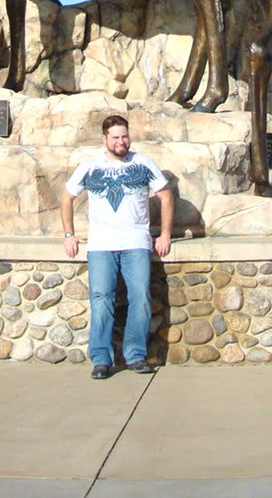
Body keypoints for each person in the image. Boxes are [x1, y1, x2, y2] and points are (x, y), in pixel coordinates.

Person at [61, 114, 173, 378]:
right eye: (115, 137)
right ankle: (101, 358)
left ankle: (135, 355)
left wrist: (165, 233)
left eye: (124, 136)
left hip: (136, 242)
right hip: (101, 244)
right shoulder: (90, 166)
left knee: (141, 298)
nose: (121, 141)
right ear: (105, 139)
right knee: (101, 300)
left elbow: (165, 196)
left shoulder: (143, 163)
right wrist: (69, 234)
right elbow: (67, 197)